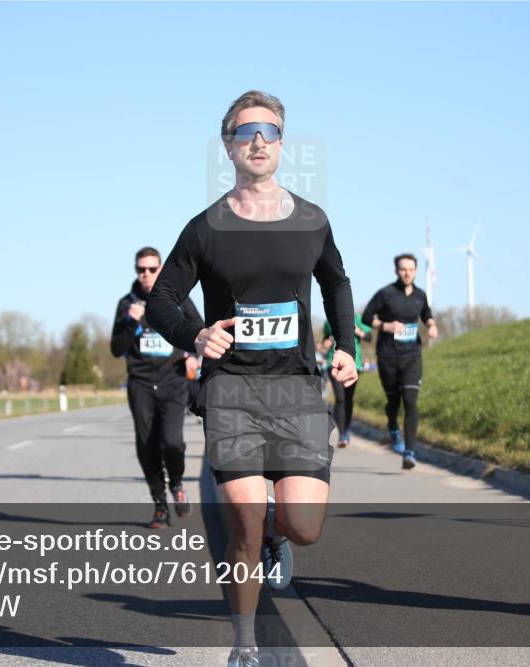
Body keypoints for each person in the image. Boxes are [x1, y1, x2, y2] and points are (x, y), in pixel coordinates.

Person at [146, 90, 357, 667]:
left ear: (283, 144)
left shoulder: (312, 220)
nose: (258, 140)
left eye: (269, 130)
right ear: (228, 146)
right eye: (246, 131)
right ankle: (244, 644)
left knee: (304, 524)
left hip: (296, 387)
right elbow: (163, 297)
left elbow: (336, 283)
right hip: (231, 389)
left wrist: (346, 345)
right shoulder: (206, 227)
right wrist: (195, 334)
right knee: (243, 518)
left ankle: (278, 537)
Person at [111, 247, 204, 528]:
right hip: (140, 384)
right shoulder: (127, 304)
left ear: (161, 269)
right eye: (142, 269)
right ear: (136, 271)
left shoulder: (176, 299)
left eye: (152, 269)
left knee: (172, 442)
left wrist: (192, 353)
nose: (147, 274)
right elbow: (116, 349)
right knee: (146, 446)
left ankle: (176, 483)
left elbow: (199, 330)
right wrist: (130, 321)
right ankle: (160, 505)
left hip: (173, 381)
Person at [361, 253, 438, 469]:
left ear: (415, 271)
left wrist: (431, 325)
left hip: (412, 355)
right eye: (403, 269)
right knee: (393, 401)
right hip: (388, 355)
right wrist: (385, 326)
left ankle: (410, 452)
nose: (407, 273)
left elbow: (426, 313)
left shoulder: (420, 295)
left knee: (411, 401)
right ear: (397, 271)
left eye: (411, 269)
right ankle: (393, 427)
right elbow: (367, 316)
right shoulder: (386, 294)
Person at [321, 315, 372, 447]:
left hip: (354, 364)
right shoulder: (329, 320)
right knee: (340, 398)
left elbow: (369, 337)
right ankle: (342, 433)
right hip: (333, 363)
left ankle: (346, 429)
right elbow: (325, 339)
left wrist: (356, 331)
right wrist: (326, 342)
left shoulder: (358, 319)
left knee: (348, 398)